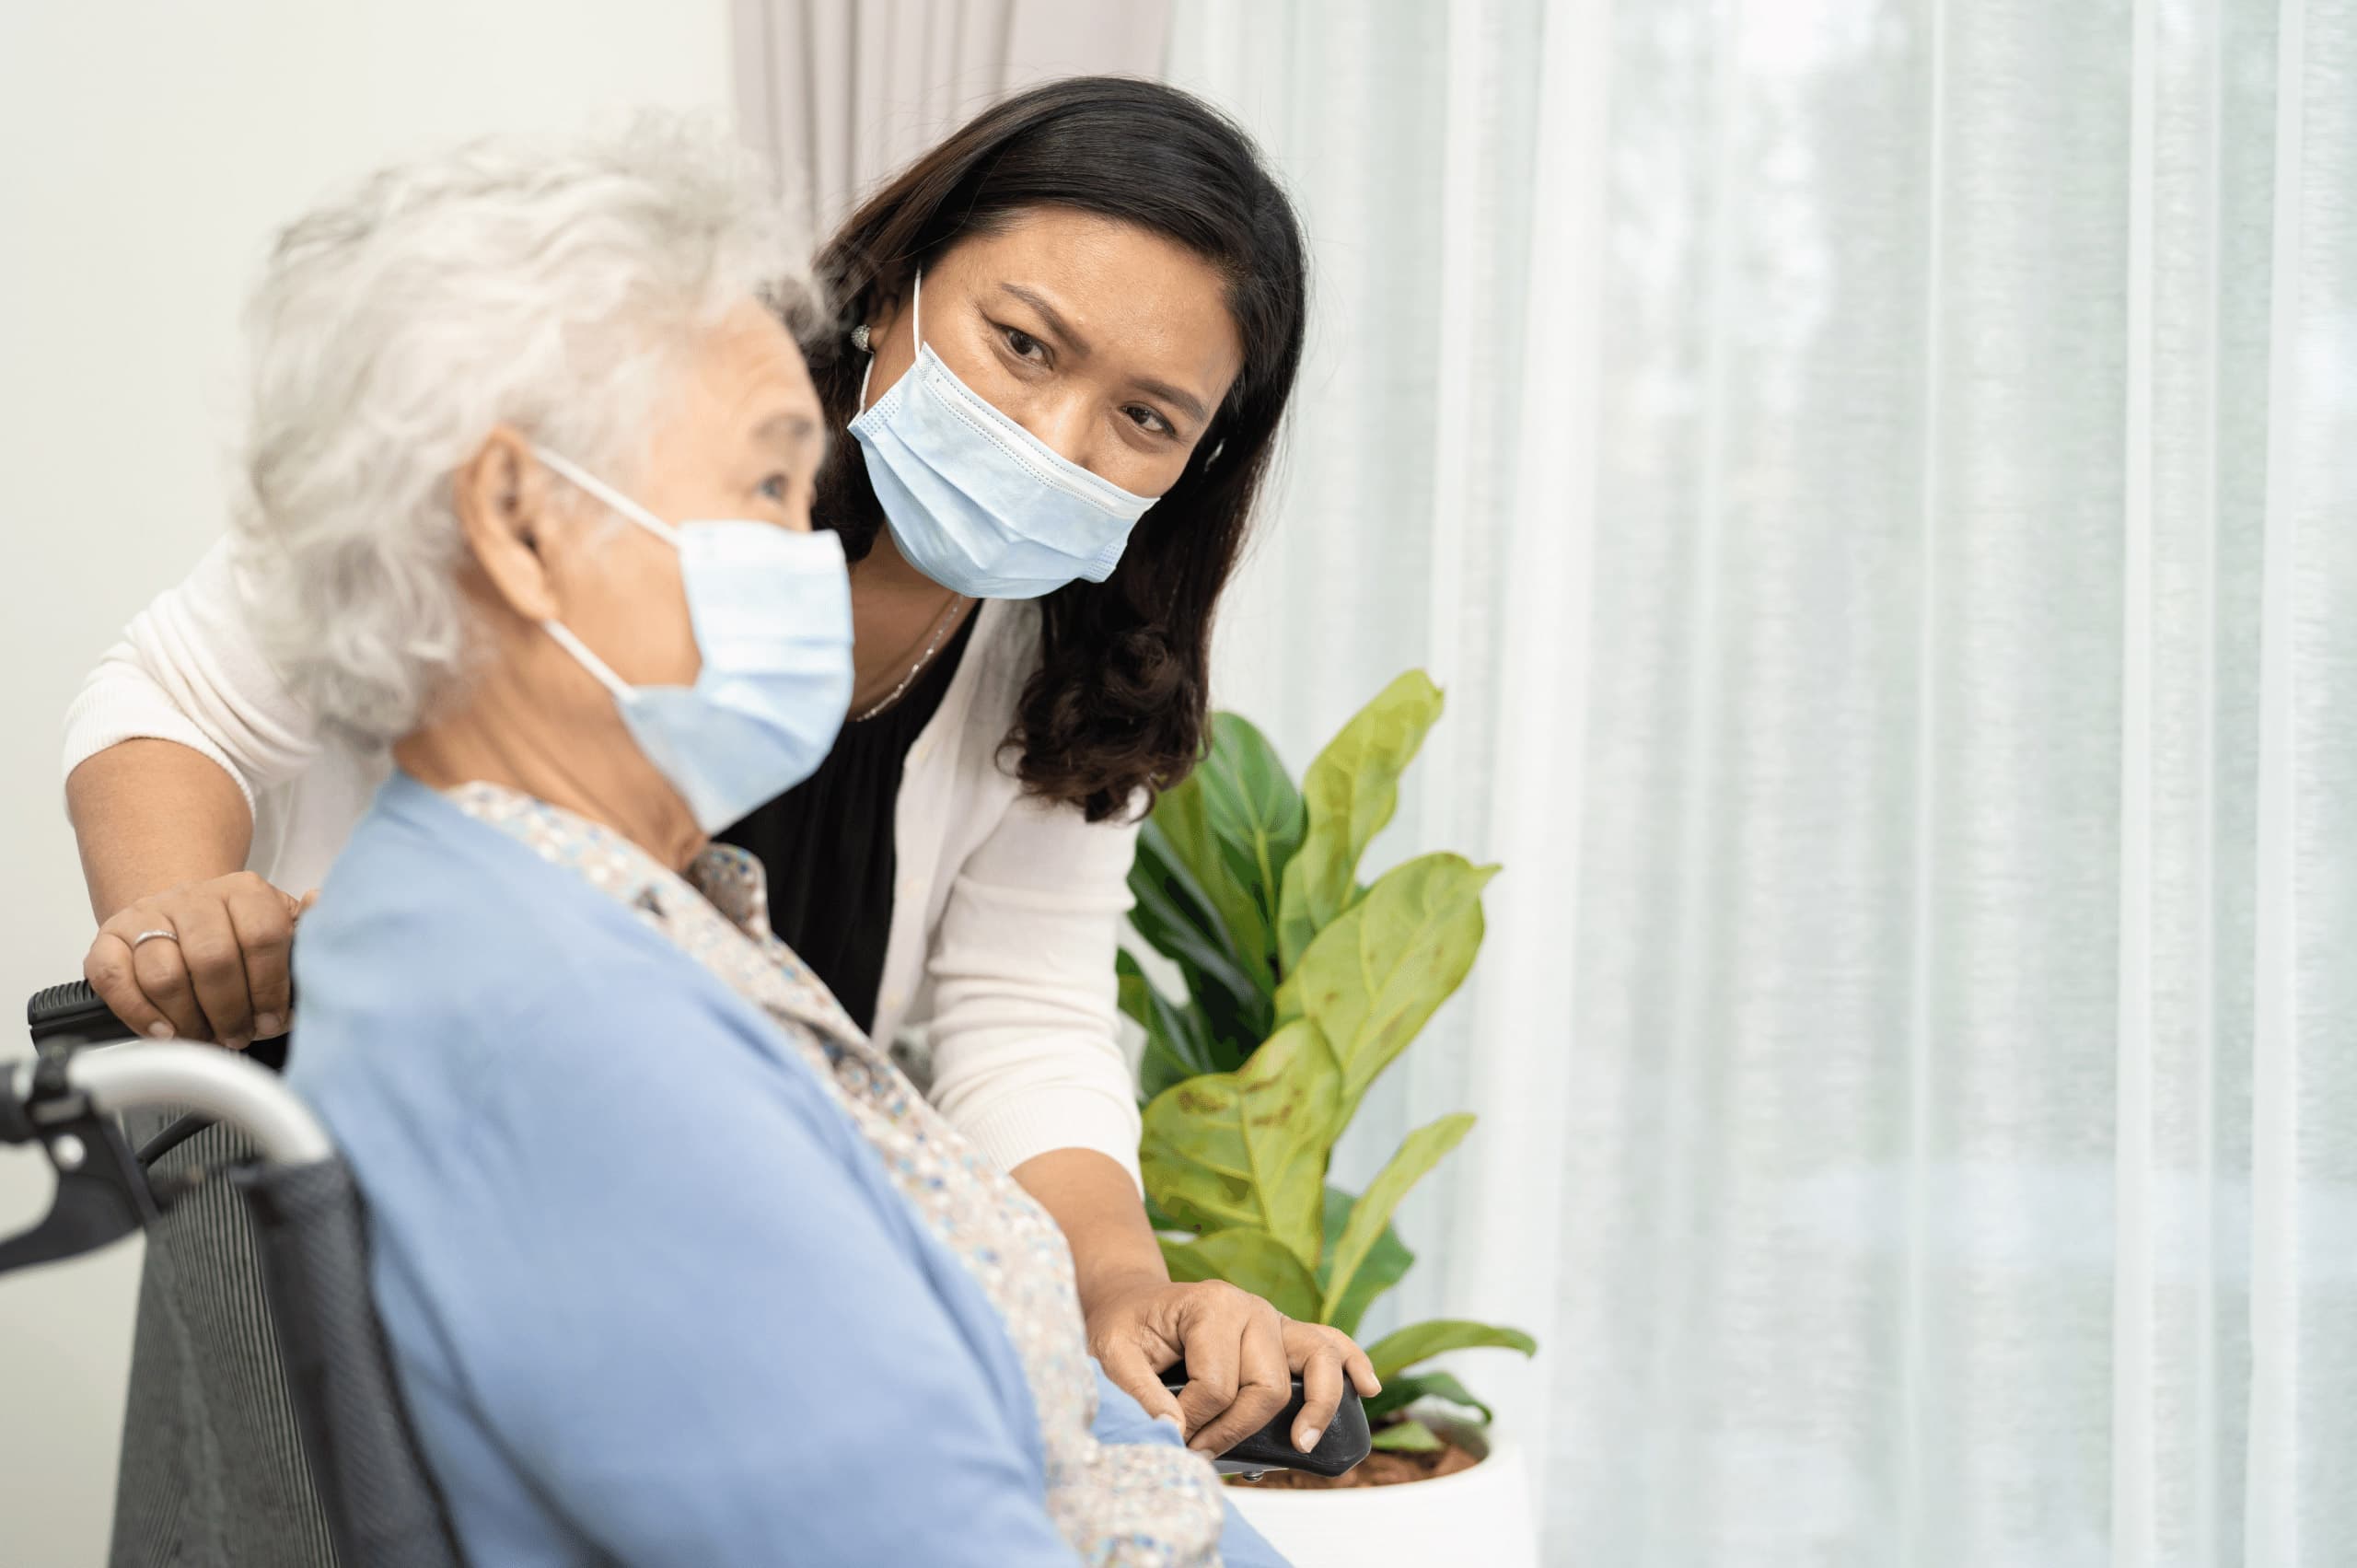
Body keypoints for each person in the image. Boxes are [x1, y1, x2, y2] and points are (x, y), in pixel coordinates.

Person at [67, 77, 1368, 1566]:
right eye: (1021, 346)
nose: (1054, 441)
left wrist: (1116, 1289)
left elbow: (1026, 1013)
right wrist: (184, 919)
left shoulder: (1038, 664)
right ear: (899, 285)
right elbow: (179, 692)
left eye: (1145, 419)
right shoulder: (605, 469)